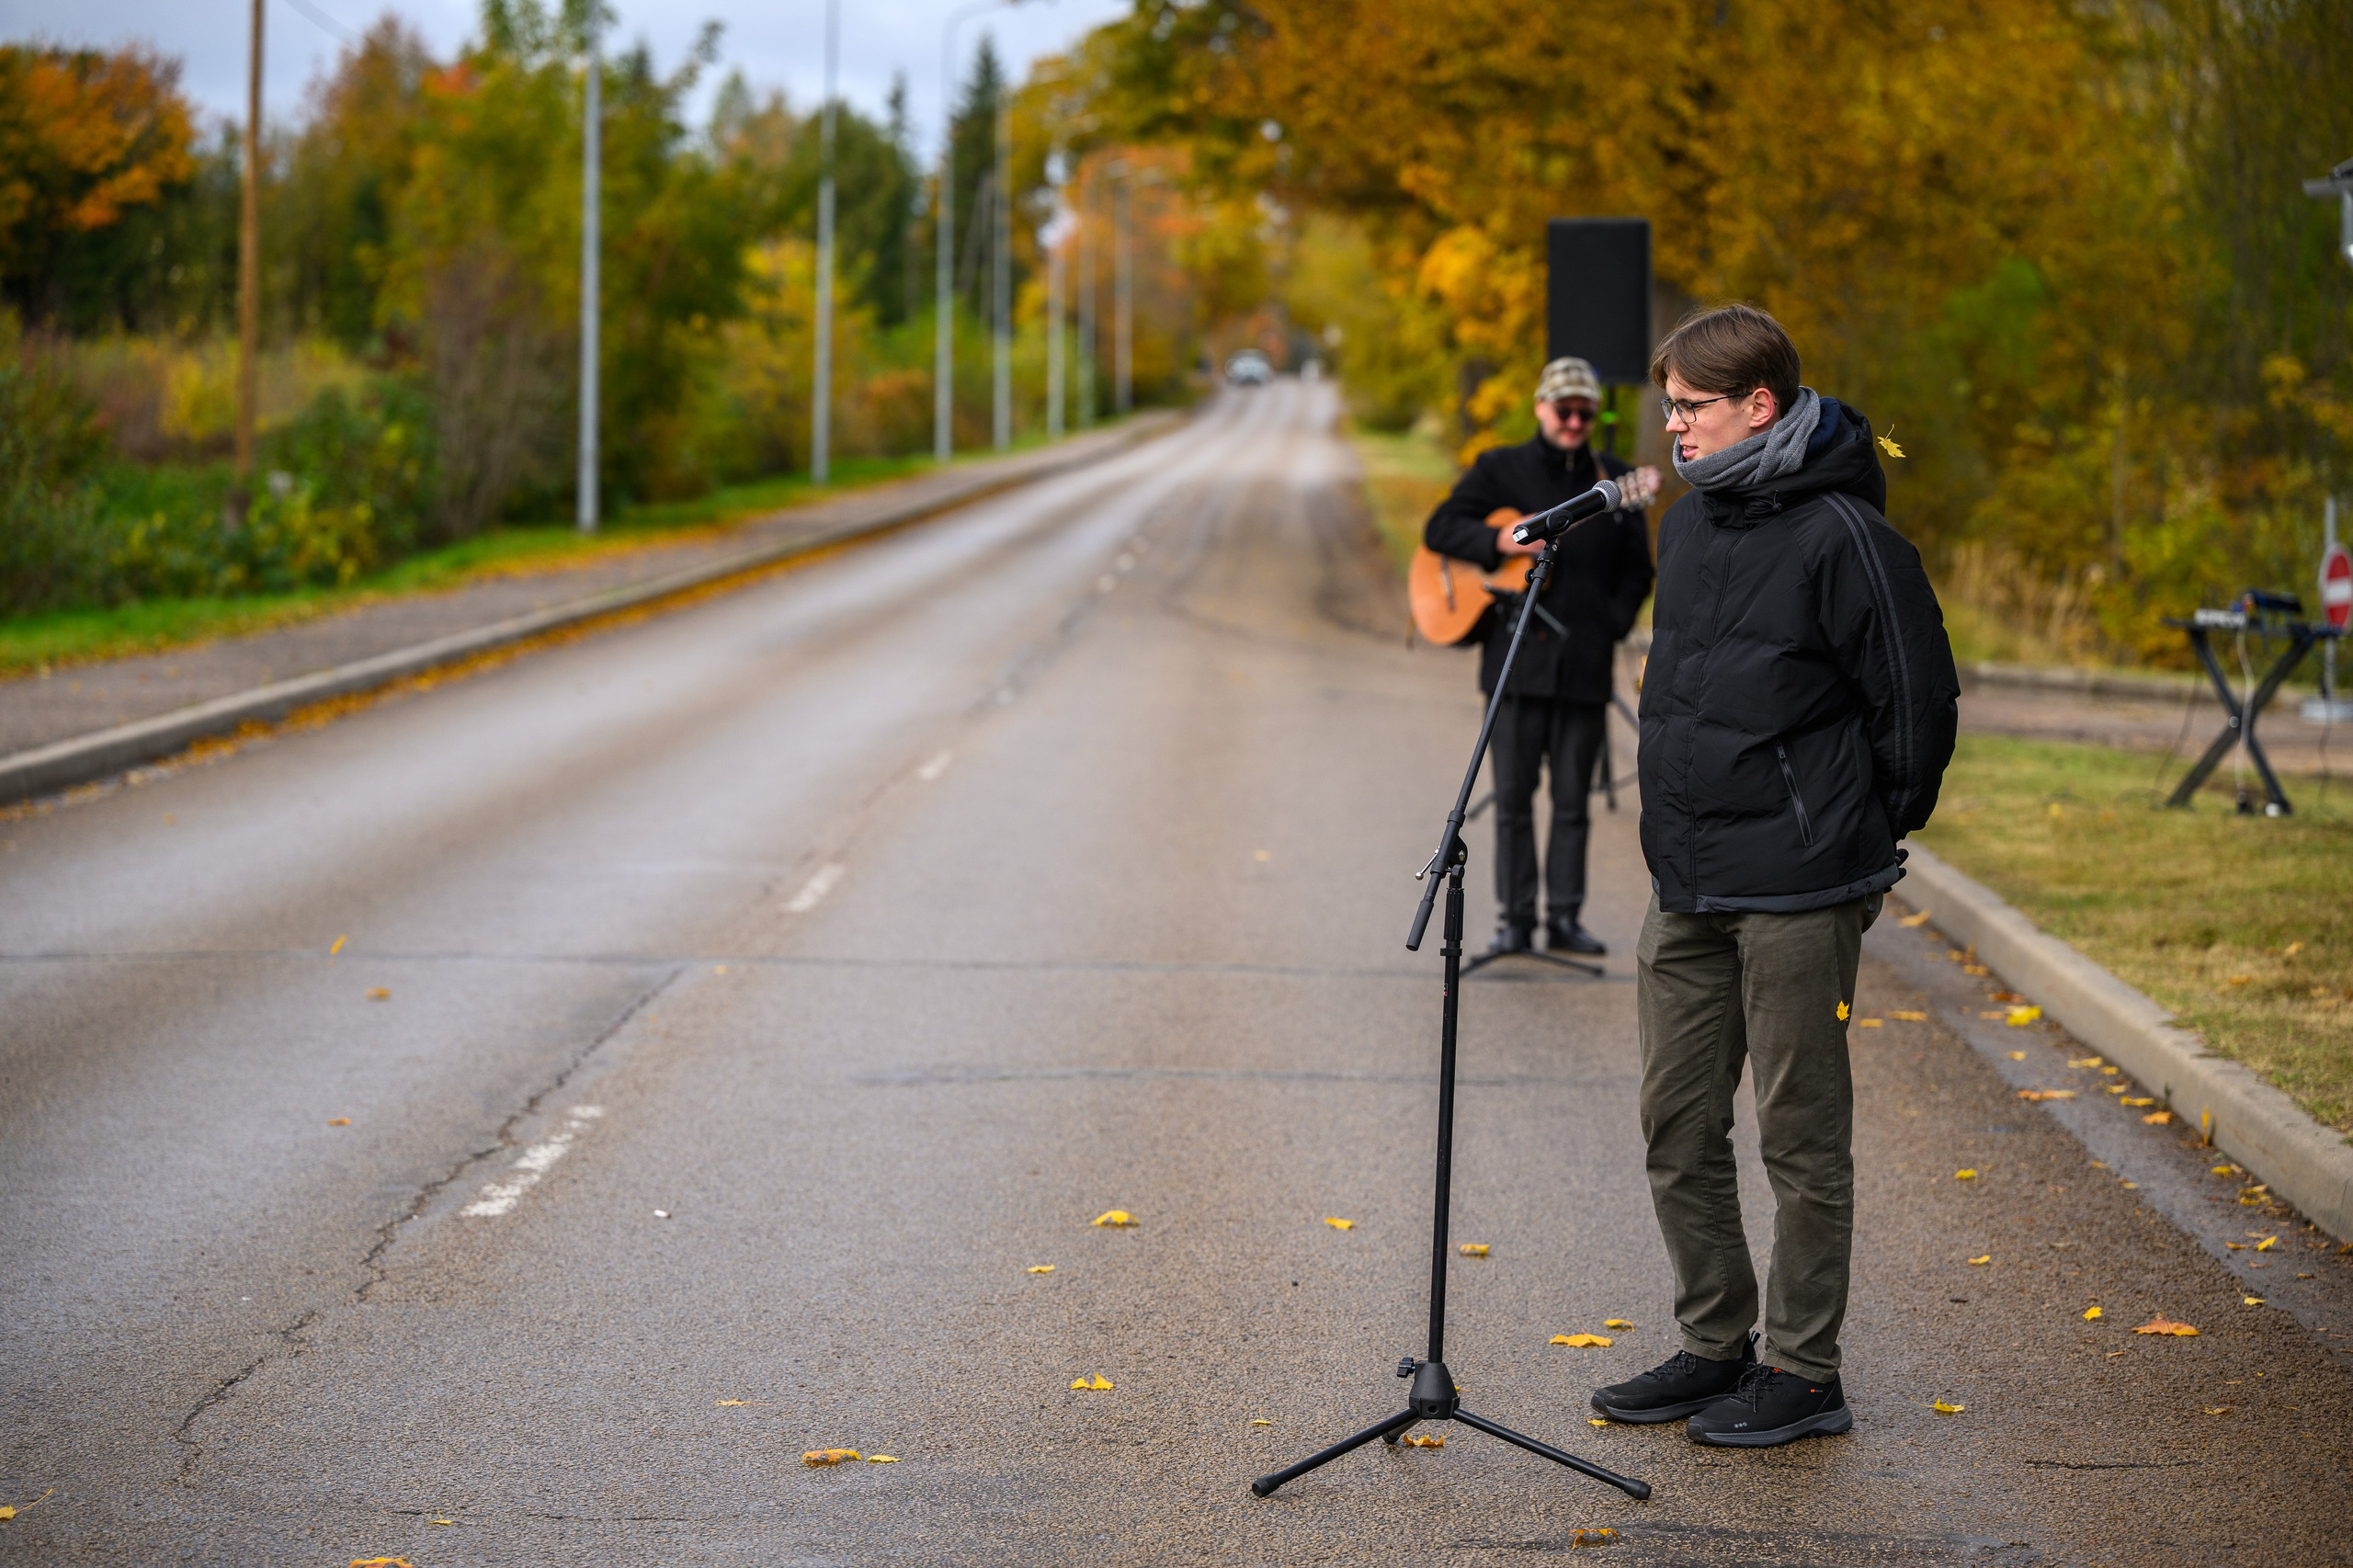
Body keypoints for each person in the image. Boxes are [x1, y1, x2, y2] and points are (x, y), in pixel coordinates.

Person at [1590, 304, 1960, 1447]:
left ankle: (1806, 1373)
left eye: (1690, 408)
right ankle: (1715, 1343)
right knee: (1675, 1120)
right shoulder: (1694, 528)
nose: (1672, 429)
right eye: (1667, 407)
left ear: (1758, 405)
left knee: (1800, 1134)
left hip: (1799, 887)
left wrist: (1848, 839)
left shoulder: (1847, 534)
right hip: (1688, 880)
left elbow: (1918, 710)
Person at [1421, 357, 1657, 959]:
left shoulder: (1618, 480)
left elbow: (1638, 568)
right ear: (1541, 408)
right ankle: (1516, 920)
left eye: (1585, 411)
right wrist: (1500, 540)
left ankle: (1565, 919)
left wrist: (1610, 623)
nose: (1575, 421)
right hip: (1515, 665)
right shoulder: (1499, 469)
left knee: (1574, 803)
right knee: (1513, 802)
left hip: (1583, 663)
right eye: (1564, 410)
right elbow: (1441, 528)